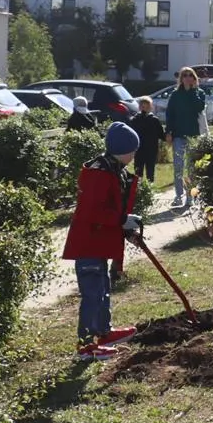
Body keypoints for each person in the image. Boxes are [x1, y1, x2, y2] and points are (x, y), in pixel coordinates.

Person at [61, 121, 143, 362]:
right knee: (92, 294)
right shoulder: (99, 173)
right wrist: (121, 220)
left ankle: (103, 333)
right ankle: (86, 346)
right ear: (123, 151)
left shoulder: (113, 169)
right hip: (89, 244)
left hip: (99, 242)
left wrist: (126, 226)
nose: (134, 155)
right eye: (133, 151)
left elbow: (113, 207)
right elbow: (90, 212)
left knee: (103, 289)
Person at [164, 67, 208, 208]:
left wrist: (192, 91)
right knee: (178, 166)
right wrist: (168, 132)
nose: (188, 78)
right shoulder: (175, 95)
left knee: (191, 168)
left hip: (194, 135)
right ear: (181, 79)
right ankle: (178, 196)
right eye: (185, 75)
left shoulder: (199, 93)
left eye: (191, 76)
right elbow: (170, 114)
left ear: (195, 79)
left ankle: (190, 197)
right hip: (178, 135)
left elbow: (199, 107)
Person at [130, 96, 165, 184]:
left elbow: (161, 135)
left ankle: (149, 188)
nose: (144, 109)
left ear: (150, 108)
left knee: (150, 171)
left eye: (146, 107)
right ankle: (139, 189)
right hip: (139, 150)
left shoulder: (154, 120)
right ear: (139, 107)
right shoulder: (135, 120)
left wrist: (169, 136)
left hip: (151, 150)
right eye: (143, 107)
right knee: (138, 172)